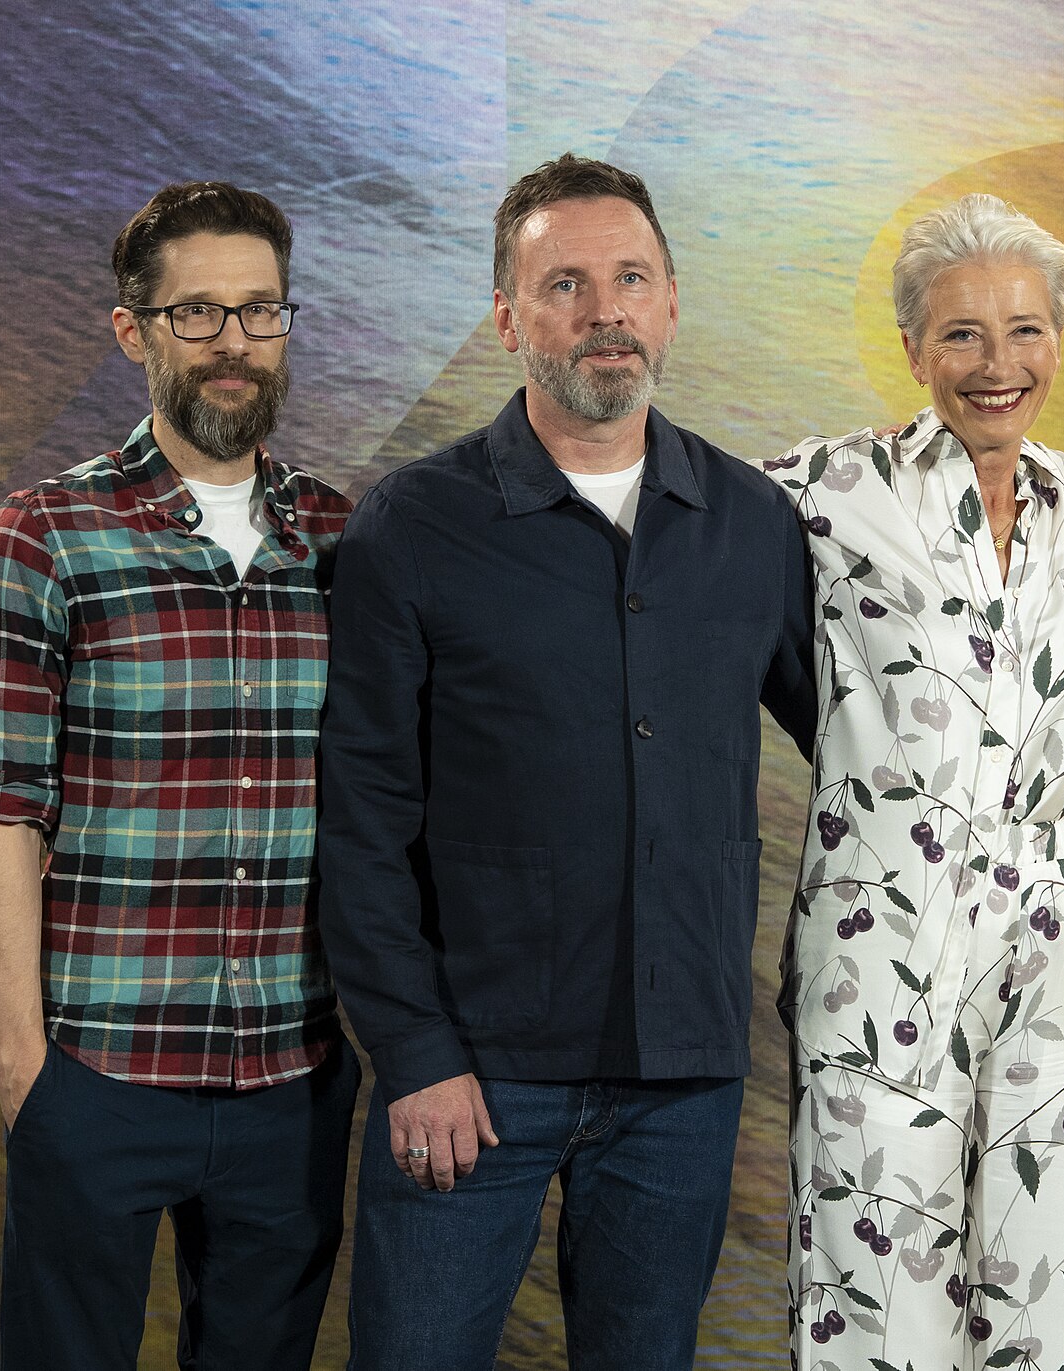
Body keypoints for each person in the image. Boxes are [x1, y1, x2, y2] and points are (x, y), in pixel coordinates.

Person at [316, 152, 816, 1371]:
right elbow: (361, 819)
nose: (607, 310)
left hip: (683, 1079)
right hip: (470, 1082)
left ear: (672, 301)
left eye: (632, 277)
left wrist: (1041, 801)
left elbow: (869, 743)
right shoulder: (413, 528)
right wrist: (418, 1058)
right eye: (566, 284)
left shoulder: (754, 526)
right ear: (507, 320)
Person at [0, 181, 360, 1371]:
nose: (234, 342)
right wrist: (24, 1062)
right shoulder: (45, 534)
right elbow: (1, 815)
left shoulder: (345, 539)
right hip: (99, 1071)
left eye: (260, 310)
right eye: (198, 314)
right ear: (133, 331)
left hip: (293, 1073)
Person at [767, 193, 1064, 1371]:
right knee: (877, 1297)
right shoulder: (825, 490)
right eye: (962, 334)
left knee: (1043, 1284)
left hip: (1054, 957)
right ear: (914, 349)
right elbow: (657, 539)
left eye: (1025, 329)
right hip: (882, 953)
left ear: (1058, 340)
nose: (996, 364)